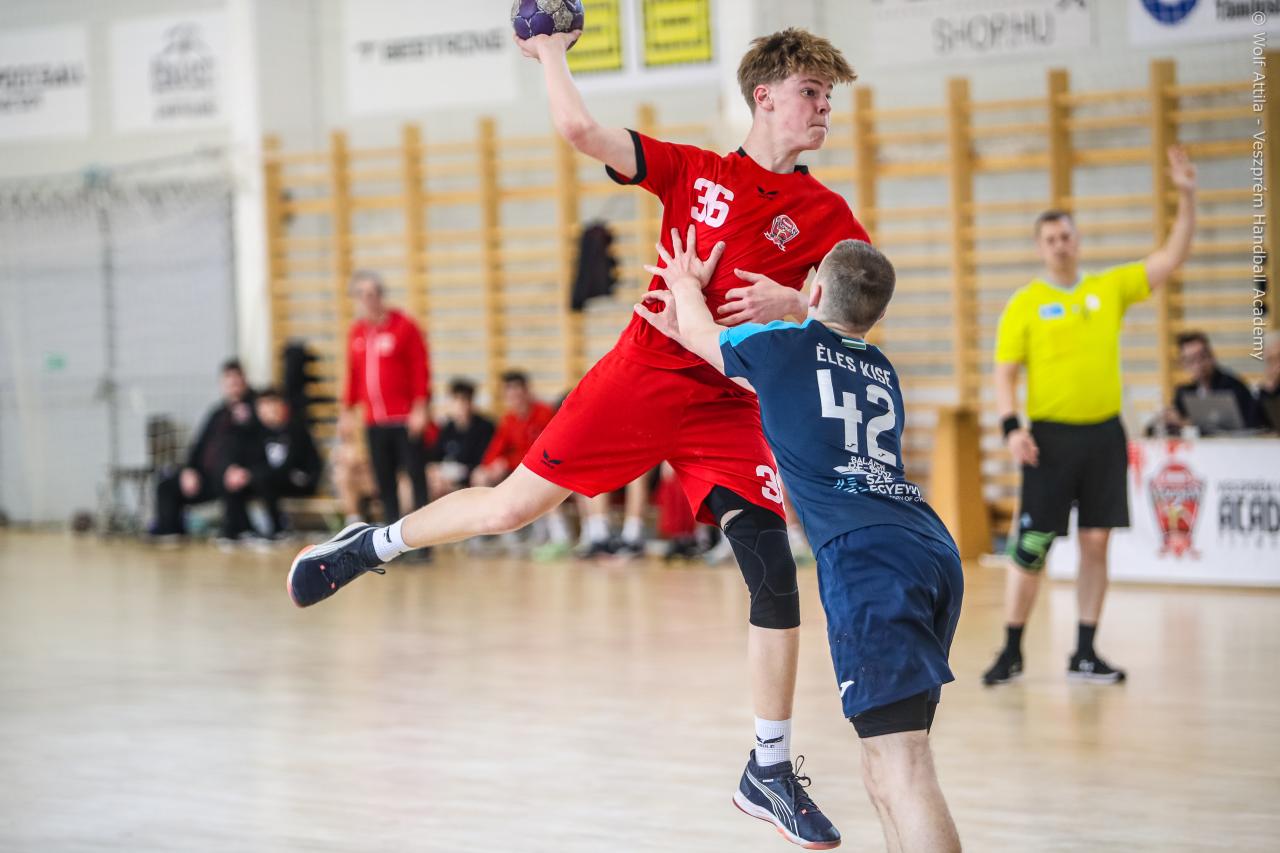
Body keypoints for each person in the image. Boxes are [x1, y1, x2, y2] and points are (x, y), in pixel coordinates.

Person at [286, 27, 867, 847]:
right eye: (811, 92)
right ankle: (371, 543)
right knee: (508, 510)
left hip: (726, 402)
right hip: (642, 375)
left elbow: (860, 307)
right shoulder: (695, 170)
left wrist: (795, 302)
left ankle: (768, 768)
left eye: (829, 97)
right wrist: (550, 53)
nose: (824, 109)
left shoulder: (828, 214)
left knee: (773, 572)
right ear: (764, 96)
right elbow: (581, 131)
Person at [635, 230, 962, 852]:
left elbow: (705, 338)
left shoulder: (783, 348)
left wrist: (682, 283)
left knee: (903, 768)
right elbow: (802, 375)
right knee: (884, 768)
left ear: (812, 292)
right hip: (928, 547)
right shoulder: (880, 367)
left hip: (869, 561)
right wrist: (797, 306)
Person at [983, 146, 1198, 687]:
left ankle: (1084, 652)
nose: (1060, 244)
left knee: (1097, 542)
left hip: (1104, 436)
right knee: (1032, 546)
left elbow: (1171, 257)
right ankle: (1012, 649)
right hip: (1049, 441)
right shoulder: (1025, 304)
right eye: (1051, 238)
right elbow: (1005, 375)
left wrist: (1187, 194)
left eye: (1066, 236)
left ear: (1078, 241)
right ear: (1041, 247)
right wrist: (1011, 427)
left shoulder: (1109, 288)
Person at [343, 270, 430, 524]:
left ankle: (424, 534)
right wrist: (347, 411)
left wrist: (420, 407)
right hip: (374, 421)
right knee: (384, 479)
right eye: (362, 295)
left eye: (373, 294)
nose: (368, 300)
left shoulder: (403, 326)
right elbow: (353, 374)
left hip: (404, 418)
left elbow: (420, 368)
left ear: (381, 295)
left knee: (414, 475)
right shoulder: (357, 333)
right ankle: (391, 533)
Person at [151, 359, 258, 542]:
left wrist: (248, 422)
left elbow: (258, 444)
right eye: (229, 381)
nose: (233, 385)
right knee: (166, 486)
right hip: (206, 476)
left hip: (235, 474)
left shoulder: (255, 409)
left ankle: (236, 531)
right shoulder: (217, 413)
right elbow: (199, 444)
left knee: (229, 478)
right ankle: (170, 532)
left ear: (244, 381)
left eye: (236, 380)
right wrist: (189, 470)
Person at [224, 388, 322, 539]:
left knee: (263, 479)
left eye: (271, 406)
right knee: (235, 482)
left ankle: (277, 529)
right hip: (269, 480)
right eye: (262, 407)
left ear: (282, 407)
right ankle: (240, 530)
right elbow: (248, 458)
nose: (267, 411)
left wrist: (251, 475)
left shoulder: (296, 430)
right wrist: (237, 471)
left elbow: (289, 465)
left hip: (298, 479)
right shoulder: (256, 432)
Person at [1163, 331, 1264, 432]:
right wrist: (1171, 420)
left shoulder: (1233, 386)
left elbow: (1251, 423)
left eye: (1202, 356)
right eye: (1191, 360)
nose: (1198, 364)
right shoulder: (1184, 392)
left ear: (1212, 356)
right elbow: (1172, 425)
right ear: (1183, 364)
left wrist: (1188, 423)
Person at [469, 371, 553, 487]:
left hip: (540, 469)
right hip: (516, 469)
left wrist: (508, 462)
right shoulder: (508, 420)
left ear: (526, 390)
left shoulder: (545, 414)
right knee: (481, 474)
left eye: (516, 390)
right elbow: (495, 449)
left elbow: (543, 451)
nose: (513, 395)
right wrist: (491, 465)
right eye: (509, 391)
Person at [427, 379, 496, 498]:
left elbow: (483, 461)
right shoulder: (447, 428)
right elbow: (435, 456)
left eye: (464, 400)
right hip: (448, 475)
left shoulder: (485, 428)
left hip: (470, 477)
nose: (460, 405)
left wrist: (458, 473)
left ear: (471, 402)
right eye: (456, 400)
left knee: (481, 477)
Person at [1256, 330, 1280, 431]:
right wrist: (1269, 391)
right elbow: (1256, 424)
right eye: (1270, 361)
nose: (1276, 366)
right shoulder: (1266, 391)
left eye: (1278, 358)